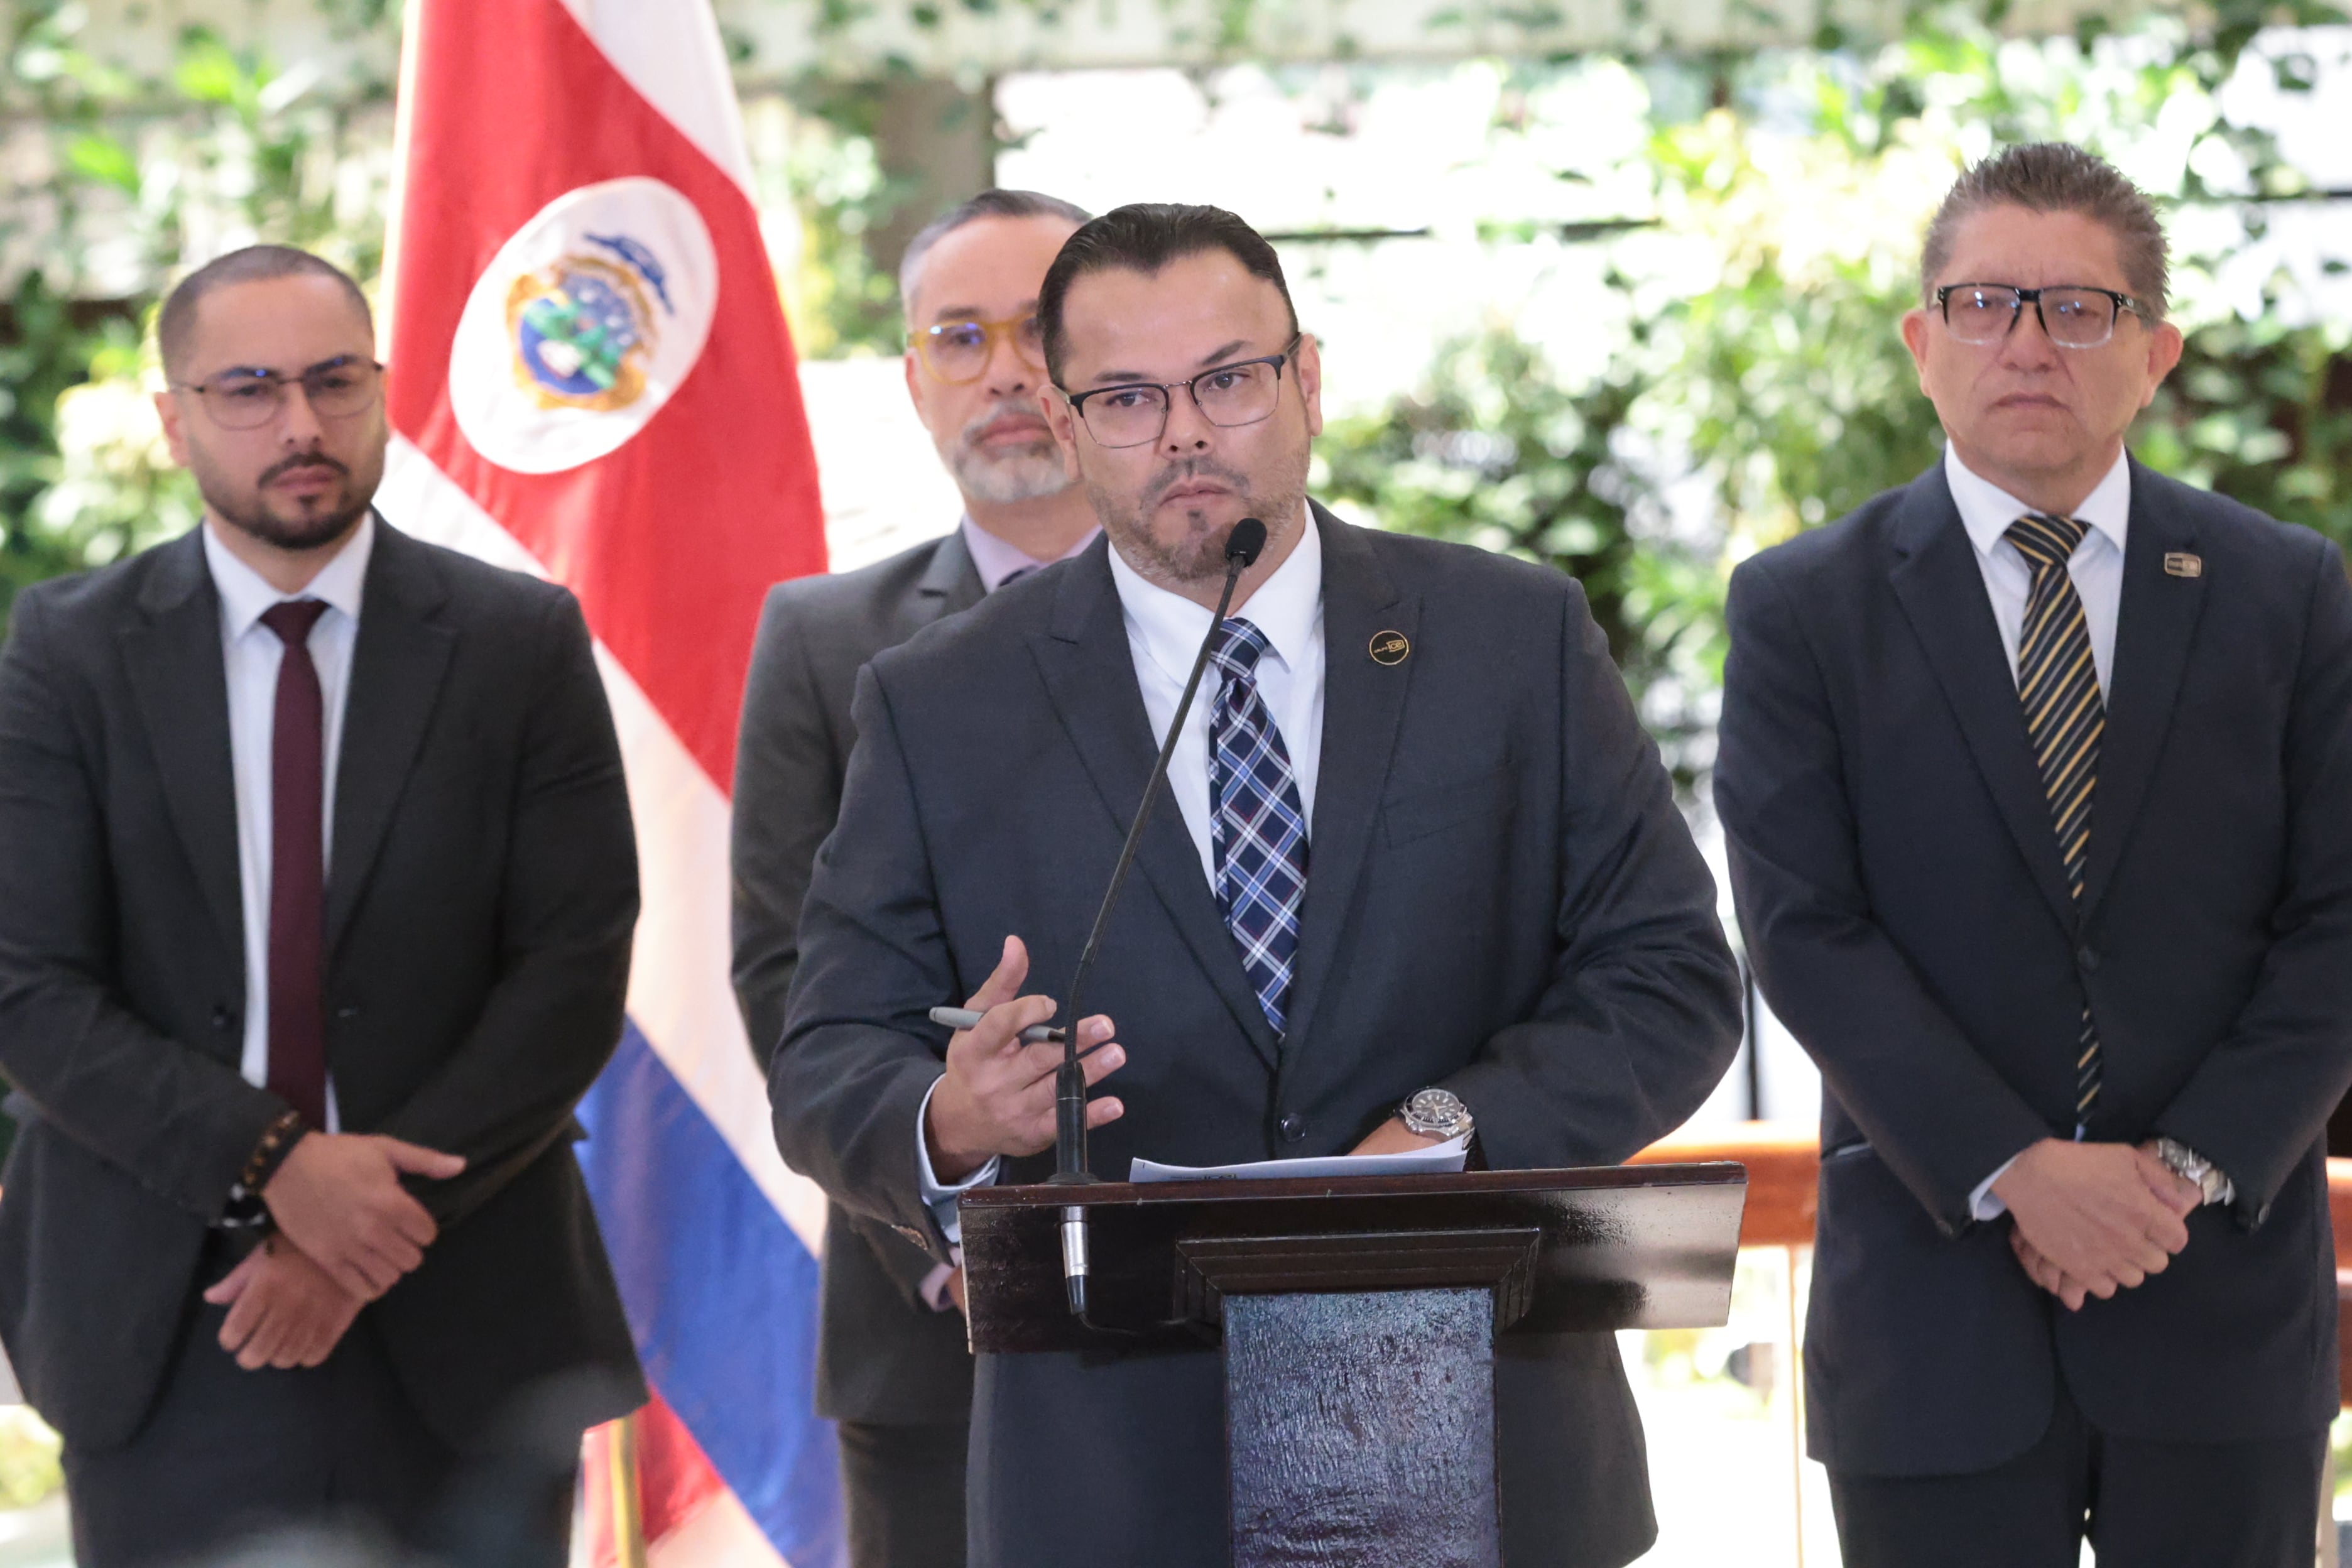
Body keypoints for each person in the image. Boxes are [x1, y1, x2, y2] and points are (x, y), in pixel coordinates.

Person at [768, 202, 1742, 1567]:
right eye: (1127, 397)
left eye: (1228, 379)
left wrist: (1451, 1125)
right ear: (1062, 419)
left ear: (1308, 383)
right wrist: (948, 1113)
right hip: (1116, 1468)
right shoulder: (943, 703)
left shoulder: (1510, 638)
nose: (1184, 435)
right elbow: (822, 1057)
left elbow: (1672, 981)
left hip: (1484, 1421)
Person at [1716, 142, 2352, 1567]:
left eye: (2080, 310)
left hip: (2219, 1294)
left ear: (2156, 353)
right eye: (1988, 302)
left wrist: (2176, 1172)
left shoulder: (2284, 590)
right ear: (1922, 343)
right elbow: (1805, 931)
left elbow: (2341, 922)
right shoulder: (1802, 608)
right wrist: (2018, 1167)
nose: (2029, 344)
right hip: (1932, 1310)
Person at [0, 244, 645, 1567]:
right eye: (247, 389)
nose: (300, 425)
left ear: (383, 394)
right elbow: (29, 984)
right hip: (166, 1312)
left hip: (467, 1312)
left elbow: (573, 965)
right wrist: (279, 1168)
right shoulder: (67, 651)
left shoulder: (520, 643)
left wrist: (366, 1228)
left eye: (333, 381)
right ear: (173, 417)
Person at [732, 186, 1096, 1568]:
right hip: (934, 1329)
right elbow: (784, 974)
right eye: (960, 337)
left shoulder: (1246, 615)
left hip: (1231, 1307)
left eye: (1039, 329)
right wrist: (936, 1230)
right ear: (913, 380)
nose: (1003, 370)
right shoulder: (827, 642)